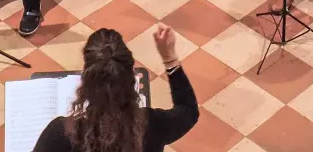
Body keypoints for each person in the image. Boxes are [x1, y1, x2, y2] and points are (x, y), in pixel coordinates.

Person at [31, 25, 199, 152]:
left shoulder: (61, 133)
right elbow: (188, 110)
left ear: (87, 82)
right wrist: (169, 58)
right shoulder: (151, 125)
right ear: (131, 77)